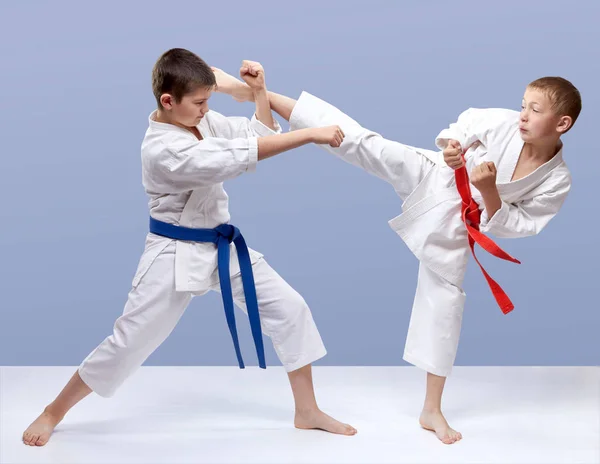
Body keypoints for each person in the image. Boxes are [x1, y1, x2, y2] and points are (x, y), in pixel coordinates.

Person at [22, 48, 356, 447]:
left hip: (221, 243)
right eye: (198, 102)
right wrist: (307, 134)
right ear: (168, 101)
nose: (205, 110)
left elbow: (255, 136)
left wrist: (260, 92)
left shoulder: (203, 120)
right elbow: (236, 157)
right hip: (172, 253)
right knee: (129, 342)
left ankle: (307, 411)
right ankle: (52, 411)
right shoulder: (160, 149)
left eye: (207, 101)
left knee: (290, 308)